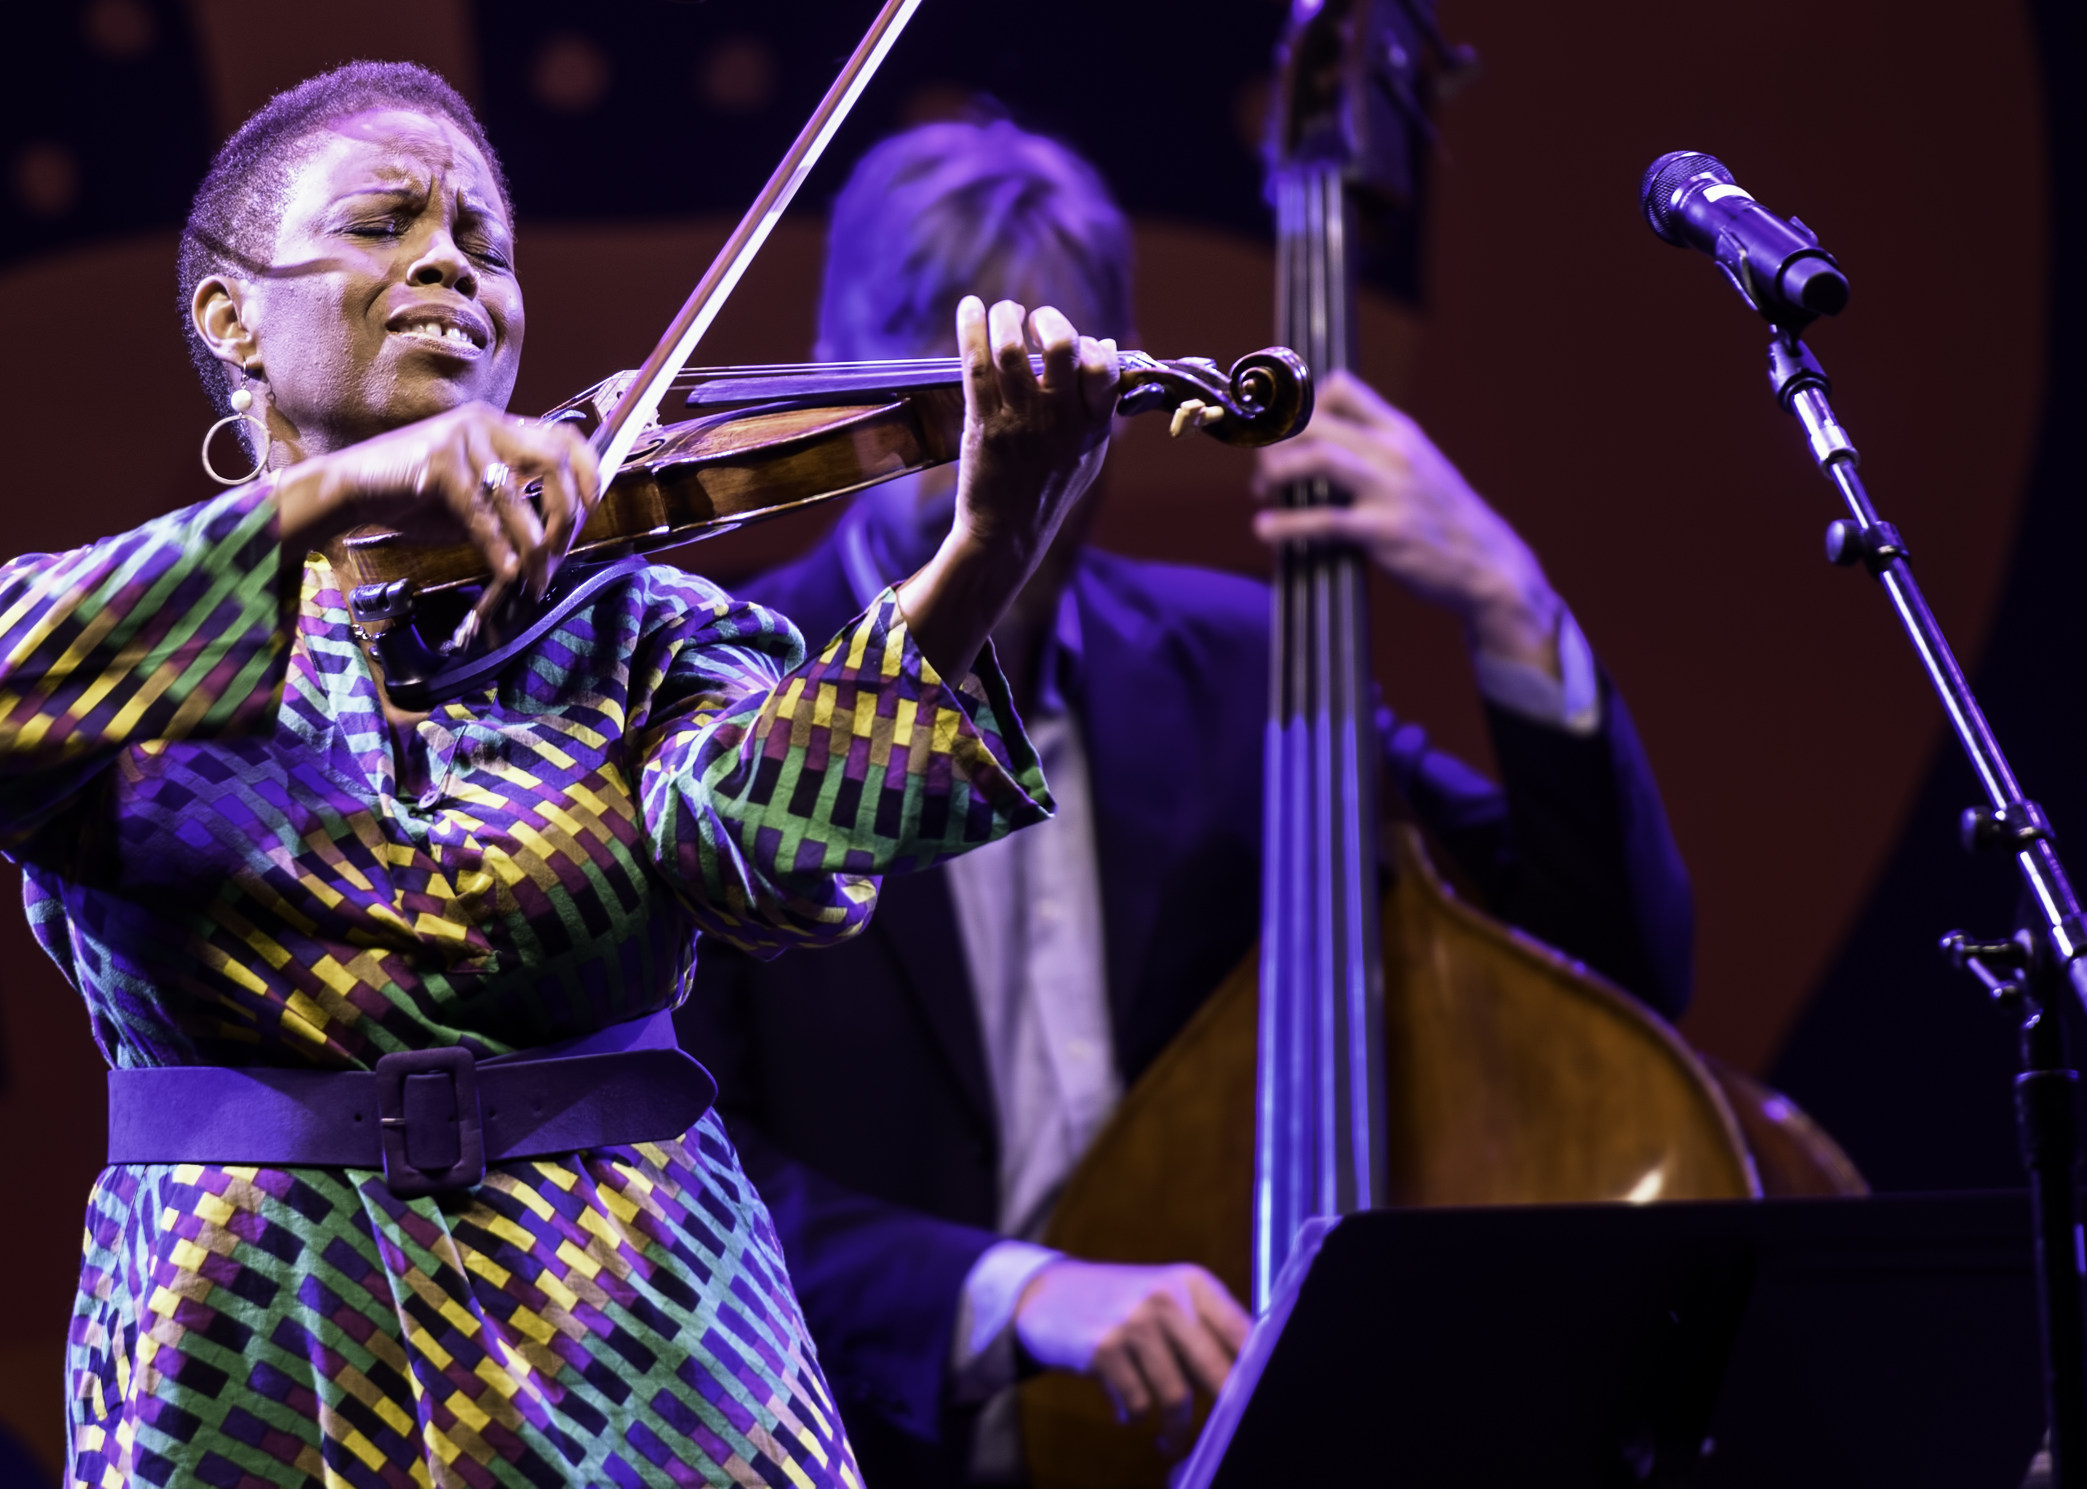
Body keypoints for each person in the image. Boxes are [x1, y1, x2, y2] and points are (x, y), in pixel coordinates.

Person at [0, 63, 1123, 1489]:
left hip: (647, 1351)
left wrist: (981, 555)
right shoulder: (134, 631)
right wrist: (329, 500)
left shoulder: (644, 625)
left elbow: (763, 847)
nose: (450, 263)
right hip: (252, 1364)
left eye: (485, 240)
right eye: (386, 222)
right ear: (232, 317)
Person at [672, 117, 1696, 1485]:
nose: (972, 438)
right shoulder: (721, 686)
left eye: (1028, 386)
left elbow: (1603, 973)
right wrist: (1013, 1291)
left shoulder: (1238, 669)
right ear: (824, 364)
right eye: (921, 381)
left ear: (1117, 394)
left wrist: (1508, 601)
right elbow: (675, 1158)